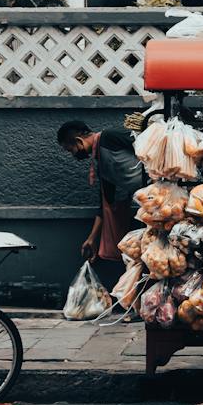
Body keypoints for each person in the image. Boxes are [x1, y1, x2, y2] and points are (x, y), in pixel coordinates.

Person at [57, 118, 146, 291]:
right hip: (149, 209)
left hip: (163, 194)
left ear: (78, 141)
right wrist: (92, 238)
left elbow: (149, 143)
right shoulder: (102, 165)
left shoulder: (109, 137)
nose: (73, 154)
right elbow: (106, 203)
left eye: (71, 150)